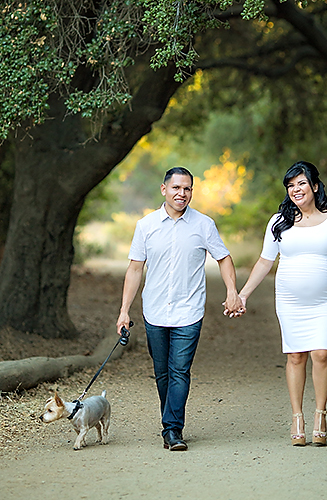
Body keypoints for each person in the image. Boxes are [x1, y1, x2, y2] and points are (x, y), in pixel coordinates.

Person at [116, 167, 242, 451]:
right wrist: (124, 310)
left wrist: (232, 291)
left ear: (192, 192)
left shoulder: (204, 225)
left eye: (187, 189)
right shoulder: (146, 226)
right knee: (162, 372)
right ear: (164, 189)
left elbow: (224, 258)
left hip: (189, 310)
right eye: (176, 188)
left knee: (180, 370)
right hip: (155, 310)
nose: (181, 194)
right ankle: (170, 420)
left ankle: (173, 429)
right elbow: (135, 269)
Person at [230, 161, 327, 447]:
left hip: (325, 299)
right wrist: (243, 294)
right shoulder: (278, 221)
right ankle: (297, 416)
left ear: (314, 185)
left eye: (301, 183)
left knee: (321, 354)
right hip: (289, 300)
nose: (295, 189)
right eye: (290, 185)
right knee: (295, 356)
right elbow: (264, 261)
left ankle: (320, 414)